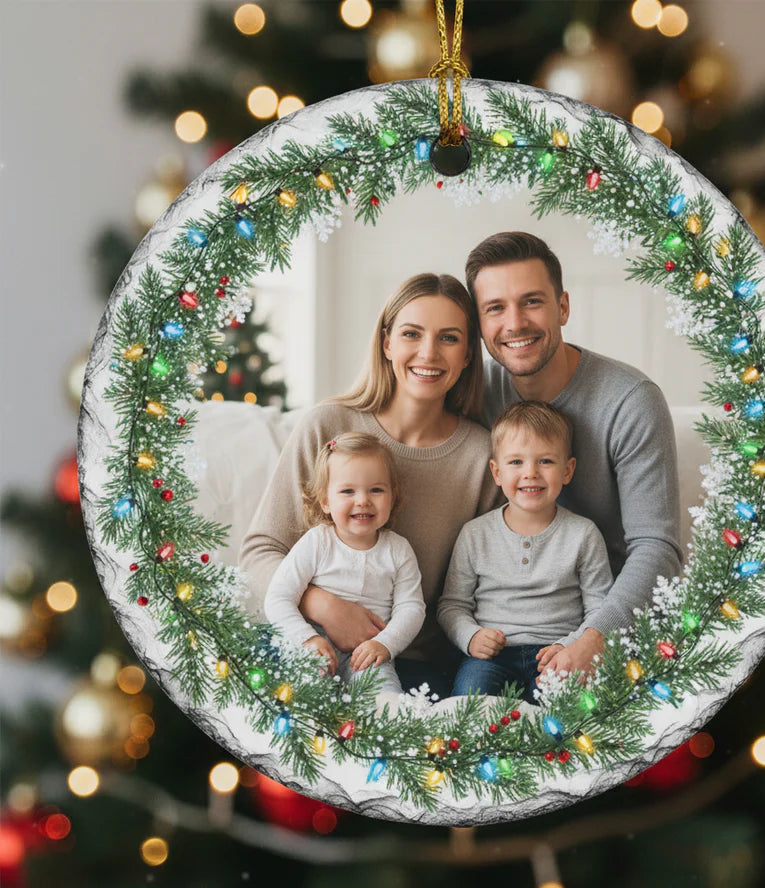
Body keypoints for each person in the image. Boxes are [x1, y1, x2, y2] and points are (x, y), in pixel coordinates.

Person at [240, 274, 498, 697]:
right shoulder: (328, 427)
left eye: (449, 338)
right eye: (411, 334)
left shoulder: (482, 456)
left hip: (410, 666)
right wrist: (320, 604)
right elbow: (258, 553)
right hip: (310, 648)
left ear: (469, 354)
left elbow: (482, 585)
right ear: (387, 343)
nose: (428, 353)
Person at [466, 232, 683, 677]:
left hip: (607, 620)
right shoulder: (476, 393)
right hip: (501, 635)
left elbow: (657, 548)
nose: (514, 323)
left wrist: (593, 640)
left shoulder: (630, 400)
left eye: (531, 302)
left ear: (562, 306)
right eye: (495, 308)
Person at [439, 401, 614, 702]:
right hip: (491, 658)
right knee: (469, 704)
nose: (530, 473)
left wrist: (571, 646)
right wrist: (471, 637)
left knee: (569, 715)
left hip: (557, 653)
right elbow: (452, 605)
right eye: (516, 462)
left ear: (567, 470)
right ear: (496, 472)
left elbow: (599, 608)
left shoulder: (583, 534)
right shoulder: (475, 534)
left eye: (545, 461)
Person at [264, 433, 425, 693]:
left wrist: (385, 644)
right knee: (302, 696)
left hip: (369, 654)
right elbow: (278, 598)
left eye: (376, 490)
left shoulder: (398, 550)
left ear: (392, 497)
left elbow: (412, 608)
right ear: (325, 501)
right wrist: (306, 639)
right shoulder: (317, 542)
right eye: (348, 491)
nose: (362, 500)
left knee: (385, 703)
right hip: (315, 646)